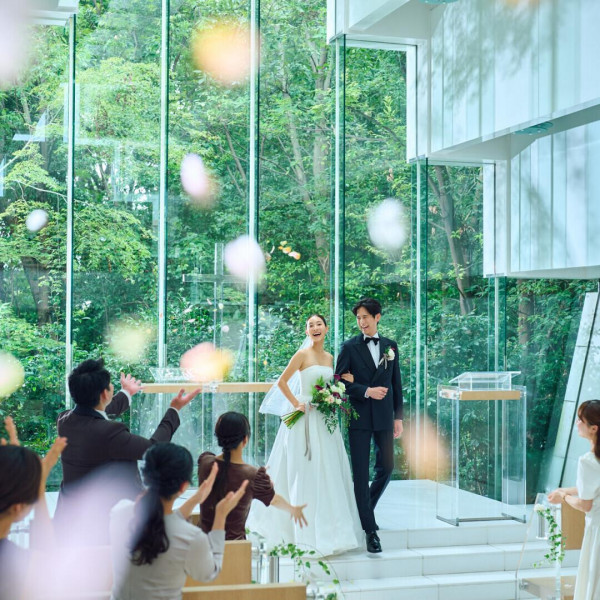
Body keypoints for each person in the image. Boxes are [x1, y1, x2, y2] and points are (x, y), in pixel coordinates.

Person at [247, 314, 363, 556]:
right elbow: (282, 382)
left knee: (328, 471)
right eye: (311, 325)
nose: (315, 328)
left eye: (319, 324)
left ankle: (331, 532)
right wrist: (296, 404)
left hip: (324, 418)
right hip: (303, 418)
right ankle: (297, 531)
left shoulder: (330, 357)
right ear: (307, 331)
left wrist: (339, 387)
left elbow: (330, 386)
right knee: (302, 470)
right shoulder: (301, 355)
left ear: (326, 328)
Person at [55, 358, 201, 544]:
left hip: (70, 517)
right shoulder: (109, 433)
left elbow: (98, 412)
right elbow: (153, 447)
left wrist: (126, 393)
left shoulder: (64, 420)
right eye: (111, 386)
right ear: (104, 394)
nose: (112, 388)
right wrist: (174, 409)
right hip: (103, 524)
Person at [110, 442, 247, 600]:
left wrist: (195, 499)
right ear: (183, 486)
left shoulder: (119, 513)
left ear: (145, 474)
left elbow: (163, 521)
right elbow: (210, 572)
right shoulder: (191, 537)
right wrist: (221, 515)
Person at [335, 297, 403, 554]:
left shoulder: (390, 346)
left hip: (385, 416)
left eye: (365, 317)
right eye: (358, 318)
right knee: (361, 473)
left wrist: (398, 417)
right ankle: (370, 530)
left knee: (387, 466)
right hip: (360, 416)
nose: (361, 322)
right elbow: (338, 382)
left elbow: (396, 384)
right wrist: (365, 390)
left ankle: (362, 510)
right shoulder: (349, 347)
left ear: (377, 317)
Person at [197, 411, 307, 540]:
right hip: (235, 547)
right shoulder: (252, 475)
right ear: (245, 440)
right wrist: (293, 509)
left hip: (201, 544)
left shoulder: (204, 462)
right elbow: (274, 500)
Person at [0, 417, 66, 600]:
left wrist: (9, 468)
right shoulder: (13, 565)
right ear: (18, 508)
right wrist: (39, 484)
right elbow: (48, 565)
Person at [548, 400, 600, 600]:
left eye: (580, 420)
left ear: (594, 428)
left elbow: (586, 504)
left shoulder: (588, 460)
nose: (577, 423)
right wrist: (565, 490)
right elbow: (593, 486)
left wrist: (564, 497)